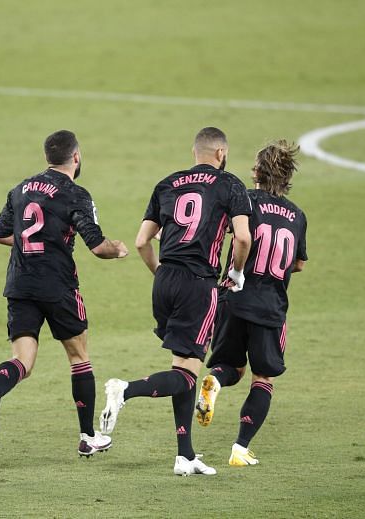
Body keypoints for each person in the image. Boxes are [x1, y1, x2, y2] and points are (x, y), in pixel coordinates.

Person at [99, 127, 252, 476]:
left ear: (194, 151)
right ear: (221, 154)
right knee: (186, 375)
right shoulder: (230, 185)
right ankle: (124, 390)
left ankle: (185, 455)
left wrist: (162, 275)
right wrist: (238, 273)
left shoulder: (167, 183)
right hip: (198, 283)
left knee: (185, 365)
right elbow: (243, 237)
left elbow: (141, 242)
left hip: (165, 279)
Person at [0, 130, 128, 457]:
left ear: (47, 157)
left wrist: (38, 240)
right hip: (57, 284)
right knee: (78, 356)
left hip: (19, 282)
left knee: (23, 361)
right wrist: (118, 250)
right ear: (76, 157)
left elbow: (1, 236)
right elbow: (98, 247)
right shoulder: (75, 194)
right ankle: (88, 437)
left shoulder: (20, 190)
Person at [196, 140, 307, 467]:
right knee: (262, 378)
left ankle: (214, 380)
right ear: (286, 176)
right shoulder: (297, 216)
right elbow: (298, 264)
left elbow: (223, 230)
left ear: (256, 172)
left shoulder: (242, 198)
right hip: (270, 307)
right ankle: (240, 449)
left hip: (232, 296)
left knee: (232, 366)